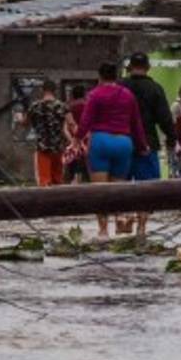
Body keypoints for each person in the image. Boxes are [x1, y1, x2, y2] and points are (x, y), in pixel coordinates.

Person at [76, 61, 148, 240]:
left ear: (99, 77)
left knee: (100, 190)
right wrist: (142, 146)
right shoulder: (128, 95)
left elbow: (85, 121)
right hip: (124, 143)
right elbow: (136, 123)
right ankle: (122, 222)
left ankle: (103, 231)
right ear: (116, 76)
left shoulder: (94, 94)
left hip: (101, 141)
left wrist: (77, 139)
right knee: (117, 189)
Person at [121, 52, 176, 238]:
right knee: (147, 188)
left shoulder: (120, 86)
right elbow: (165, 118)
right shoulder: (155, 88)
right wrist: (172, 138)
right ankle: (142, 227)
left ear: (129, 68)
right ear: (148, 67)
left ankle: (124, 219)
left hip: (123, 142)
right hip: (147, 144)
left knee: (121, 185)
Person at [20, 80, 69, 187]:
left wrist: (20, 117)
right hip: (58, 147)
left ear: (42, 90)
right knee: (58, 180)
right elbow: (71, 123)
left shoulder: (35, 106)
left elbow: (25, 123)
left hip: (43, 147)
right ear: (55, 90)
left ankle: (46, 203)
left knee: (44, 181)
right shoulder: (62, 106)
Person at [63, 84, 90, 184]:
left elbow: (65, 128)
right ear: (84, 94)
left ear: (72, 95)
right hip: (87, 141)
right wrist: (83, 141)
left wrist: (72, 141)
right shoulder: (88, 106)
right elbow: (90, 126)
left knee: (71, 169)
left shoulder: (68, 107)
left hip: (72, 142)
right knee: (87, 170)